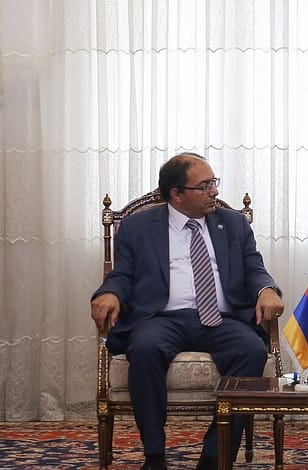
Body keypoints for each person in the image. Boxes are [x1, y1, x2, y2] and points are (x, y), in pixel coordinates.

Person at [90, 152, 284, 470]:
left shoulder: (233, 223)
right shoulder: (138, 227)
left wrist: (266, 290)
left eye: (214, 183)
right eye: (204, 186)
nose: (215, 192)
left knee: (251, 349)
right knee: (145, 348)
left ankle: (214, 455)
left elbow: (254, 267)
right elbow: (123, 274)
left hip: (220, 319)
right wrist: (109, 292)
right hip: (162, 318)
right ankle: (154, 455)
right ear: (177, 194)